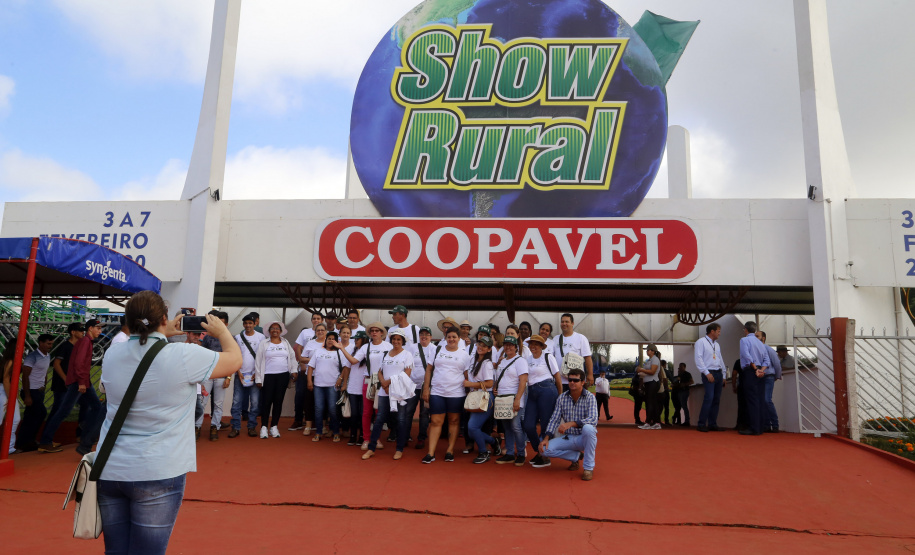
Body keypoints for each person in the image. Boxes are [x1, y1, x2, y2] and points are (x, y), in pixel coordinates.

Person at [95, 290, 241, 555]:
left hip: (110, 466)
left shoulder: (112, 354)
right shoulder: (183, 355)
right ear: (164, 318)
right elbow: (234, 360)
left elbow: (142, 351)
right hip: (157, 469)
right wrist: (221, 332)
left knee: (115, 551)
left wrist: (162, 332)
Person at [38, 319, 105, 455]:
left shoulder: (85, 342)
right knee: (64, 411)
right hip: (79, 382)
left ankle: (85, 433)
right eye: (98, 328)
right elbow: (79, 363)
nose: (100, 331)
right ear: (90, 329)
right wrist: (81, 381)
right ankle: (46, 441)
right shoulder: (86, 342)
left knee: (96, 407)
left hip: (83, 381)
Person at [361, 329, 414, 460]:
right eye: (394, 339)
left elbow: (407, 373)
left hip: (399, 392)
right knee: (379, 419)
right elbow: (379, 371)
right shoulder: (385, 354)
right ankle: (371, 448)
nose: (396, 342)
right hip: (384, 391)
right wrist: (383, 383)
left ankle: (399, 449)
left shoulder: (407, 354)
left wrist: (388, 383)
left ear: (402, 341)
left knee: (400, 420)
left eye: (399, 339)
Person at [421, 326, 471, 463]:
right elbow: (429, 370)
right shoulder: (437, 350)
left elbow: (467, 375)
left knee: (454, 421)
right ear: (445, 338)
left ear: (459, 339)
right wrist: (426, 388)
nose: (451, 339)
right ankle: (430, 453)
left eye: (454, 337)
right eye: (449, 337)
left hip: (456, 393)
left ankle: (450, 450)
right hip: (437, 392)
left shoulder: (464, 354)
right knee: (436, 421)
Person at [537, 368, 598, 481]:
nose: (572, 383)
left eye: (575, 380)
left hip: (583, 438)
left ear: (582, 382)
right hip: (568, 438)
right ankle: (575, 456)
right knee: (543, 450)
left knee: (589, 429)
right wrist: (546, 438)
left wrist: (572, 423)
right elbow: (554, 420)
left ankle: (588, 468)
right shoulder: (562, 398)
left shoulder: (590, 397)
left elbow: (593, 419)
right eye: (570, 380)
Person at [339, 322, 392, 450]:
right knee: (367, 412)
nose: (374, 332)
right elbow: (353, 361)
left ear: (381, 333)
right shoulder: (365, 347)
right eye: (372, 330)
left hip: (382, 382)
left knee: (379, 413)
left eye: (377, 330)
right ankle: (367, 439)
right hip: (368, 381)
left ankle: (377, 438)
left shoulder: (388, 346)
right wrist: (341, 348)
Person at [523, 334, 563, 468]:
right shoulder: (527, 359)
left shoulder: (548, 357)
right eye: (531, 344)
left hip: (547, 390)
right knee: (528, 424)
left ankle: (544, 456)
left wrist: (560, 397)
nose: (533, 346)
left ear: (541, 346)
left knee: (546, 424)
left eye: (536, 344)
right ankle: (539, 451)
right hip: (532, 392)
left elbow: (557, 378)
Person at [254, 321, 297, 438]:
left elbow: (292, 357)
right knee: (266, 402)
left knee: (278, 402)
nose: (275, 330)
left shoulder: (285, 342)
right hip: (268, 376)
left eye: (277, 328)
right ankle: (263, 427)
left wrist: (294, 370)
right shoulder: (264, 343)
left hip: (283, 376)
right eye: (272, 328)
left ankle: (274, 427)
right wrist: (258, 378)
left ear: (281, 331)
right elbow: (258, 361)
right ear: (269, 331)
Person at [464, 335, 501, 464]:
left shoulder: (487, 364)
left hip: (485, 398)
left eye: (484, 346)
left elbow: (490, 383)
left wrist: (470, 384)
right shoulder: (474, 361)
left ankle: (484, 452)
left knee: (472, 427)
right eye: (479, 344)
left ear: (489, 349)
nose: (480, 347)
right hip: (475, 398)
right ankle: (492, 441)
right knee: (471, 429)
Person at [493, 336, 529, 465]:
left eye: (511, 345)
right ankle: (509, 453)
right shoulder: (502, 362)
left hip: (514, 398)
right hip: (502, 399)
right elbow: (498, 378)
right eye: (506, 345)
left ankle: (520, 453)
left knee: (516, 426)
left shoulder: (520, 361)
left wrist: (518, 399)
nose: (508, 347)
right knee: (507, 427)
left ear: (516, 347)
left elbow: (523, 381)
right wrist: (495, 388)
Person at [307, 329, 348, 443]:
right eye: (329, 338)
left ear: (337, 341)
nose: (331, 341)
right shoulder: (319, 351)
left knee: (332, 409)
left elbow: (346, 367)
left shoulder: (340, 352)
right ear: (325, 340)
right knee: (319, 409)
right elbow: (310, 367)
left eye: (333, 339)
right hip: (318, 385)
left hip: (333, 385)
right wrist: (309, 381)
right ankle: (318, 432)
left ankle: (335, 432)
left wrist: (340, 379)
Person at [16, 333, 54, 451]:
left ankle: (25, 441)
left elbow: (44, 372)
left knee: (30, 416)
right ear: (40, 343)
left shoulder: (47, 355)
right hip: (31, 391)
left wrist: (44, 384)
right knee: (40, 413)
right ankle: (26, 441)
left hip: (39, 391)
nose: (50, 346)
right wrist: (27, 395)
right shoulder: (32, 357)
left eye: (51, 344)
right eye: (48, 343)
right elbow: (26, 376)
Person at [229, 313, 264, 438]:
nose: (248, 325)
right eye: (246, 323)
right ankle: (236, 427)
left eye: (250, 323)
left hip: (255, 375)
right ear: (243, 324)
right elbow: (235, 354)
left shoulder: (261, 337)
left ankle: (251, 427)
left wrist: (257, 372)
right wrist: (237, 371)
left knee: (254, 403)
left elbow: (262, 357)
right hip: (240, 374)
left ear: (255, 324)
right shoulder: (238, 337)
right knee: (237, 402)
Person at [200, 310, 232, 438]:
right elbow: (203, 357)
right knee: (202, 403)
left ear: (227, 324)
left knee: (218, 404)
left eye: (222, 323)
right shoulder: (208, 337)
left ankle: (215, 427)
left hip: (222, 376)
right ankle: (197, 427)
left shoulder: (230, 339)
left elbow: (232, 360)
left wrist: (228, 377)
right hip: (208, 375)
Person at [291, 312, 324, 432]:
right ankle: (298, 420)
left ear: (322, 320)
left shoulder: (327, 335)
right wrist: (302, 363)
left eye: (318, 318)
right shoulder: (305, 333)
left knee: (318, 398)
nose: (316, 320)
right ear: (311, 320)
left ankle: (316, 422)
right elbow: (298, 348)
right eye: (314, 318)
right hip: (305, 370)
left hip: (321, 373)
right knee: (301, 394)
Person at [405, 326, 435, 449]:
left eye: (427, 334)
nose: (424, 336)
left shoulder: (435, 348)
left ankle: (421, 438)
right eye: (422, 334)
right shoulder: (412, 348)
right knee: (408, 412)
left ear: (431, 337)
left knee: (424, 413)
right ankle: (405, 436)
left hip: (426, 386)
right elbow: (406, 363)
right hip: (412, 385)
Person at [739, 321, 771, 436]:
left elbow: (746, 356)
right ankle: (760, 427)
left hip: (750, 372)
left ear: (745, 330)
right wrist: (761, 370)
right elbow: (767, 360)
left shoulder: (744, 340)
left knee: (751, 400)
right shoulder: (760, 343)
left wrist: (755, 369)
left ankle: (753, 428)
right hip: (761, 374)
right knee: (760, 399)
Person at [694, 322, 727, 432]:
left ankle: (713, 424)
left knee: (716, 399)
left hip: (718, 372)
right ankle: (701, 423)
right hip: (709, 372)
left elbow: (720, 359)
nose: (719, 334)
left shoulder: (717, 344)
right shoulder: (701, 342)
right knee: (709, 397)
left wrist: (724, 374)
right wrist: (706, 373)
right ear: (712, 331)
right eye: (718, 331)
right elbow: (698, 358)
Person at [340, 330, 369, 446]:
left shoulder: (367, 350)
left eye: (358, 339)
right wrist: (345, 383)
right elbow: (347, 368)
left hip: (363, 386)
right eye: (355, 339)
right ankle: (352, 435)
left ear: (364, 340)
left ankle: (362, 436)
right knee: (354, 413)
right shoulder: (352, 350)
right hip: (352, 386)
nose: (356, 341)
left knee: (363, 413)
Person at [50, 322, 84, 420]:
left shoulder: (77, 347)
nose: (83, 333)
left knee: (84, 405)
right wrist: (66, 379)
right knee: (58, 411)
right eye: (81, 330)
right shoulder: (65, 346)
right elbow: (56, 364)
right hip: (61, 384)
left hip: (72, 384)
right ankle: (47, 433)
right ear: (73, 332)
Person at [301, 323, 329, 435]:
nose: (320, 332)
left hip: (325, 376)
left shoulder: (330, 343)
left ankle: (322, 426)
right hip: (311, 375)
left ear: (326, 331)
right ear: (315, 332)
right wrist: (314, 360)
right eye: (318, 330)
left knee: (324, 403)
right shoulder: (310, 343)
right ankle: (308, 426)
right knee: (309, 401)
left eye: (323, 330)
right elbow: (302, 358)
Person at [555, 314, 594, 388]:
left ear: (572, 323)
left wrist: (590, 375)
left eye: (567, 322)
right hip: (559, 381)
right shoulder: (555, 339)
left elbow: (587, 358)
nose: (564, 324)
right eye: (562, 322)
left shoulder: (581, 338)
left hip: (576, 381)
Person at [757, 331, 782, 433]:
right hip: (761, 377)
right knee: (762, 401)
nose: (755, 338)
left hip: (768, 377)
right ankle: (767, 425)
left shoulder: (768, 349)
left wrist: (777, 375)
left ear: (763, 338)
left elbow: (776, 363)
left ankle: (775, 424)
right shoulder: (757, 350)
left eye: (757, 336)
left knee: (767, 400)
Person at [1, 341, 21, 454]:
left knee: (15, 419)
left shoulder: (13, 361)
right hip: (4, 391)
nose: (23, 349)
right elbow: (5, 379)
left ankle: (9, 447)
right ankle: (9, 447)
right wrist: (11, 397)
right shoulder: (10, 361)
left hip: (8, 391)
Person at [636, 344, 662, 430]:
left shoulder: (655, 359)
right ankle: (656, 422)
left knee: (650, 402)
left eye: (648, 350)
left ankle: (648, 422)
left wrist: (641, 370)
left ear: (653, 351)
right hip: (649, 382)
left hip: (653, 382)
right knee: (653, 403)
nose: (647, 351)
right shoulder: (650, 360)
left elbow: (652, 372)